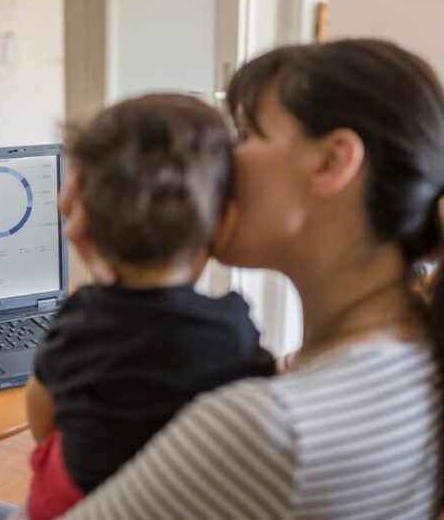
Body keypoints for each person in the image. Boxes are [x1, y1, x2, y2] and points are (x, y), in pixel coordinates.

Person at [0, 39, 444, 520]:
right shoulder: (435, 348)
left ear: (332, 161)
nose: (220, 158)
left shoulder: (269, 427)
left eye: (246, 131)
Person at [24, 93, 274, 519]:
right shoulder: (232, 330)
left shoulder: (81, 317)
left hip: (71, 502)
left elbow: (41, 413)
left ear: (87, 223)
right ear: (223, 224)